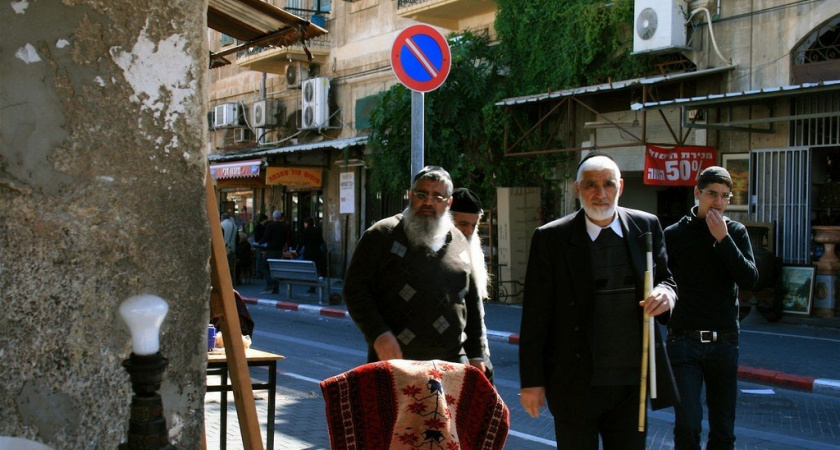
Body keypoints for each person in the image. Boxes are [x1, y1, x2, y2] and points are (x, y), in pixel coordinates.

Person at [519, 153, 678, 449]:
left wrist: (667, 294)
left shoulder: (647, 226)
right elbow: (535, 316)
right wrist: (532, 381)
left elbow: (668, 279)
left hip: (633, 382)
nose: (600, 193)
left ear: (620, 187)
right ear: (577, 189)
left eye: (608, 184)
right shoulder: (551, 238)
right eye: (591, 185)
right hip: (574, 382)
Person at [343, 166, 488, 372]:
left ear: (449, 202)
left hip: (452, 365)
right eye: (422, 194)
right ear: (411, 195)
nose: (428, 201)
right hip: (395, 363)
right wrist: (379, 334)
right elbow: (354, 290)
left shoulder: (460, 241)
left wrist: (476, 354)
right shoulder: (381, 234)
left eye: (438, 196)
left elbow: (471, 303)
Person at [664, 166, 758, 449]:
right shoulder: (674, 234)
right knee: (688, 426)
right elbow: (661, 281)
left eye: (724, 196)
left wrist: (723, 239)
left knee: (723, 431)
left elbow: (750, 279)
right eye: (711, 194)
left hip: (724, 342)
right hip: (684, 341)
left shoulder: (736, 232)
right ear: (697, 193)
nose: (717, 202)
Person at [449, 187, 495, 384]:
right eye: (462, 224)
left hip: (475, 352)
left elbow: (477, 312)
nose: (468, 231)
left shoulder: (472, 250)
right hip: (450, 355)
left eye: (473, 226)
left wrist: (481, 353)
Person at [258, 210, 290, 294]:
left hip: (271, 249)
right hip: (279, 250)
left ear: (273, 217)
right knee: (275, 268)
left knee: (264, 266)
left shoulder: (270, 226)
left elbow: (266, 237)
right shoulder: (284, 227)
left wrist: (259, 243)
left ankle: (270, 283)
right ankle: (276, 287)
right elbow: (287, 237)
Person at [220, 211, 237, 279]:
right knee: (230, 267)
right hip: (232, 248)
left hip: (223, 248)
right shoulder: (234, 226)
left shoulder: (220, 225)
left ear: (222, 218)